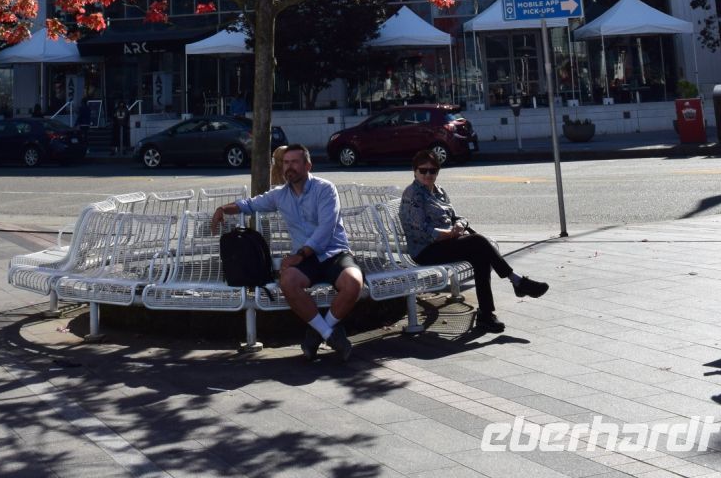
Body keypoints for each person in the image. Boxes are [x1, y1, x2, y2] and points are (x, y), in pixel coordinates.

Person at [211, 143, 361, 362]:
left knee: (353, 283)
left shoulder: (325, 189)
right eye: (285, 163)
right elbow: (249, 205)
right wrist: (223, 209)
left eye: (295, 162)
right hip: (306, 259)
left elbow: (325, 229)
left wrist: (300, 254)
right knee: (288, 281)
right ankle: (329, 333)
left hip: (333, 252)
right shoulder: (279, 195)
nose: (289, 167)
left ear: (308, 165)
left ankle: (317, 332)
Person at [398, 149, 549, 334]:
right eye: (423, 170)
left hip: (446, 244)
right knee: (478, 242)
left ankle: (486, 315)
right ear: (415, 171)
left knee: (481, 255)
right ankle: (516, 281)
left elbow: (456, 216)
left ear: (438, 171)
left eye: (433, 170)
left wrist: (460, 225)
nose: (428, 175)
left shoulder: (439, 191)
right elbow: (420, 229)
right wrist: (448, 233)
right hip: (425, 250)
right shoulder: (412, 194)